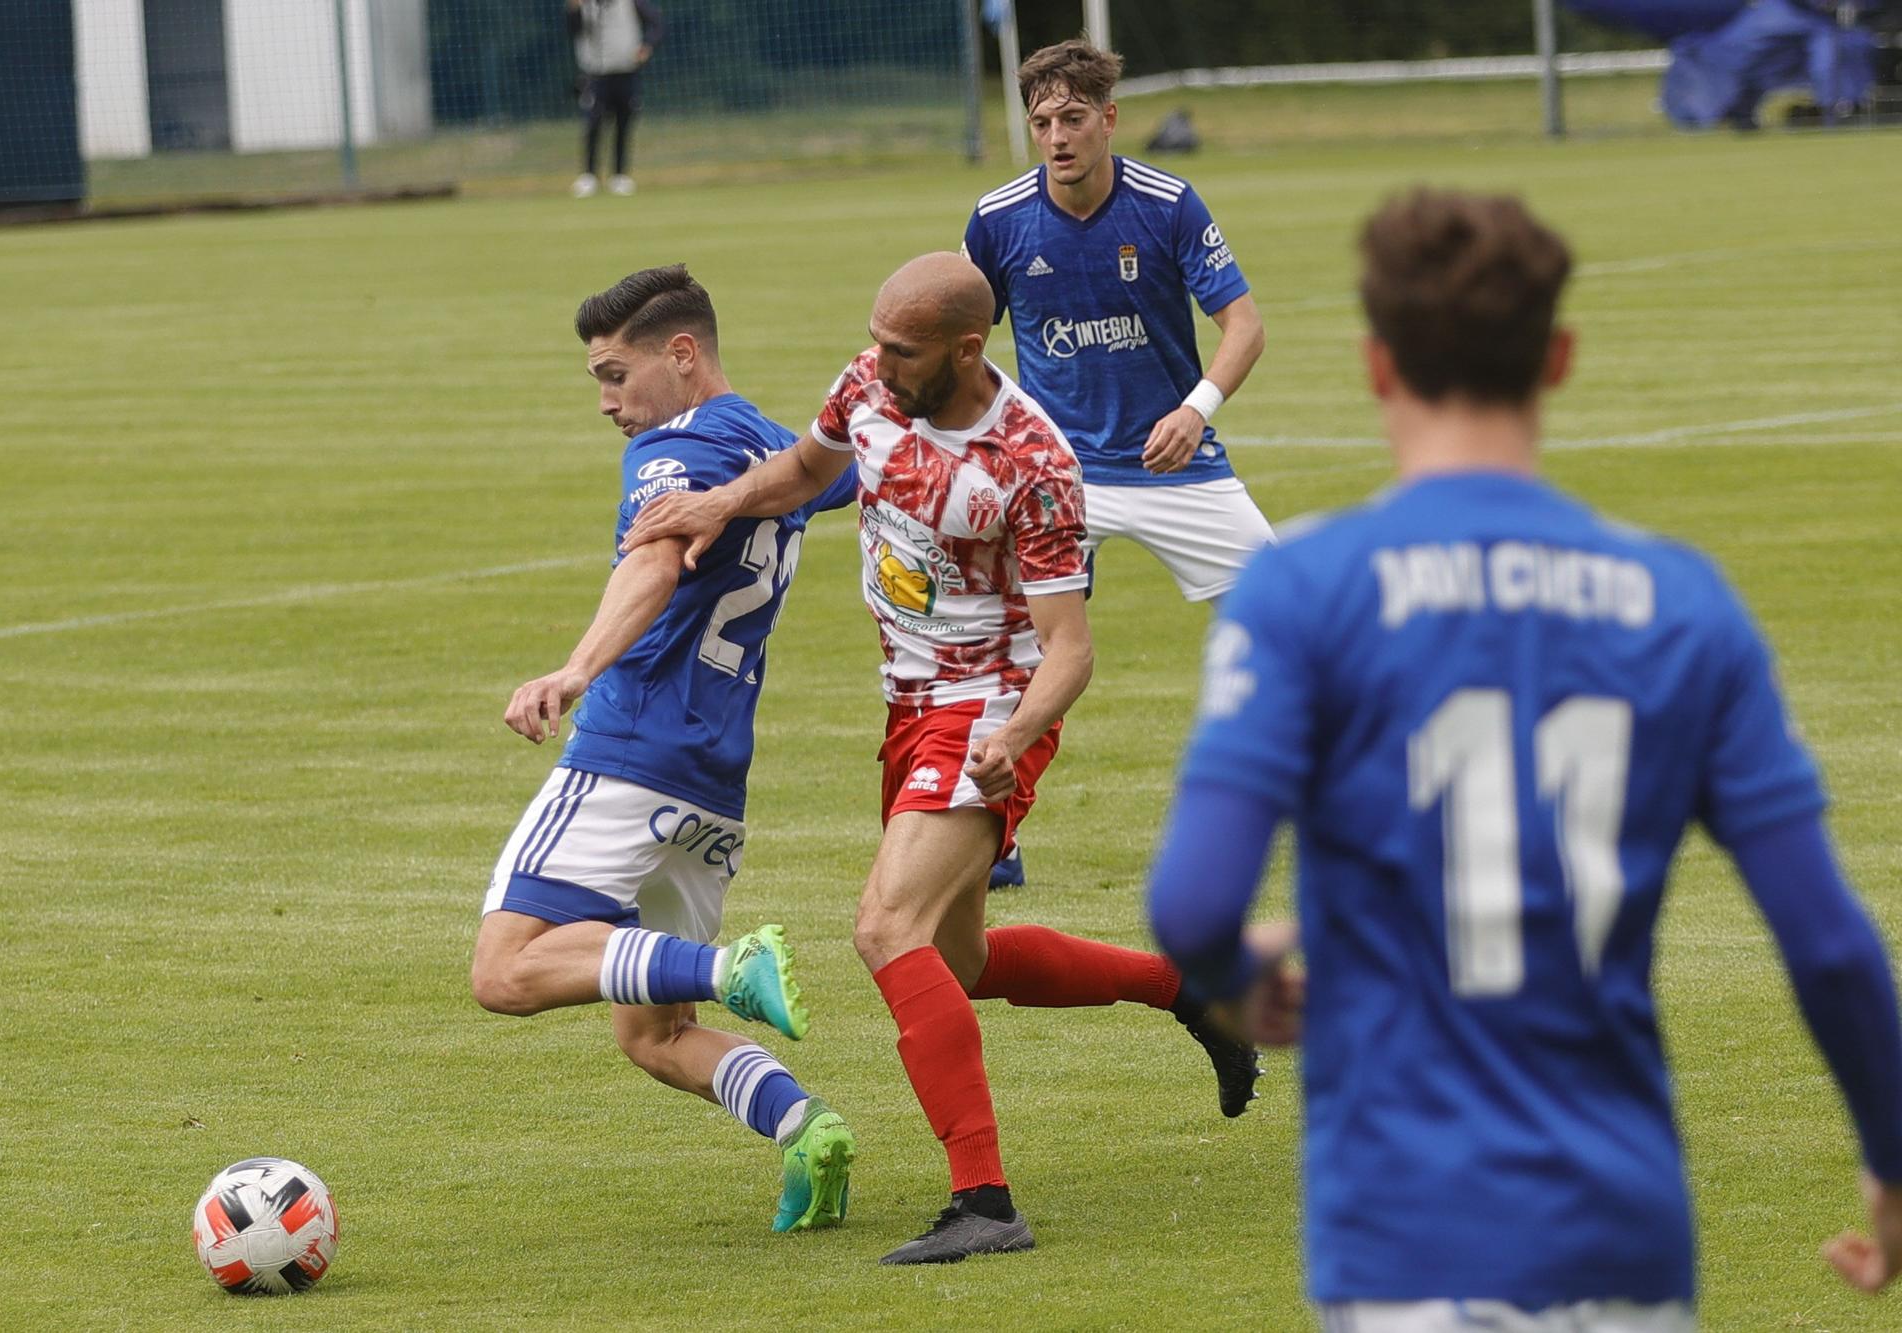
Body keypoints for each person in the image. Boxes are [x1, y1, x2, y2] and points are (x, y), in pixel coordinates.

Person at [1145, 189, 1902, 1329]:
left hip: (1401, 1230)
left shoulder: (1302, 590)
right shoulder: (1680, 603)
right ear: (1556, 357)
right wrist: (1889, 1158)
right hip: (1619, 1228)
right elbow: (1832, 947)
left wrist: (1238, 974)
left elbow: (1193, 901)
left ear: (1374, 365)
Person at [625, 252, 1262, 1265]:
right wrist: (719, 502)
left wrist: (1011, 735)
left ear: (967, 348)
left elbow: (1070, 648)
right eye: (875, 339)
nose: (876, 363)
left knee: (885, 927)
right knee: (954, 961)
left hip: (990, 708)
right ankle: (1186, 990)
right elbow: (803, 469)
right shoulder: (868, 386)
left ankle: (983, 1199)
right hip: (909, 705)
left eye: (900, 349)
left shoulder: (1030, 462)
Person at [470, 264, 857, 1234]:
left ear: (681, 356)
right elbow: (852, 469)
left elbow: (650, 560)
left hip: (627, 754)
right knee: (650, 1033)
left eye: (614, 373)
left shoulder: (672, 447)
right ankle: (806, 1127)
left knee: (505, 971)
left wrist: (573, 670)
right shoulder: (781, 453)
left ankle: (731, 967)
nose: (606, 402)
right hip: (714, 782)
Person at [961, 38, 1273, 894]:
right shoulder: (998, 220)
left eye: (1071, 118)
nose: (1056, 137)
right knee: (1011, 648)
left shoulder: (1168, 205)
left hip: (1178, 466)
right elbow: (960, 343)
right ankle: (994, 831)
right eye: (1040, 122)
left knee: (1292, 614)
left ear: (1109, 119)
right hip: (1061, 476)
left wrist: (1193, 409)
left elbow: (1243, 327)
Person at [567, 0, 663, 197]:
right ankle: (589, 176)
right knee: (593, 123)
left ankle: (620, 176)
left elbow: (657, 23)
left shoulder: (630, 3)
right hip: (595, 75)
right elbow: (573, 30)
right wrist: (574, 9)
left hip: (626, 72)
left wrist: (647, 46)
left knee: (624, 123)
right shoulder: (582, 5)